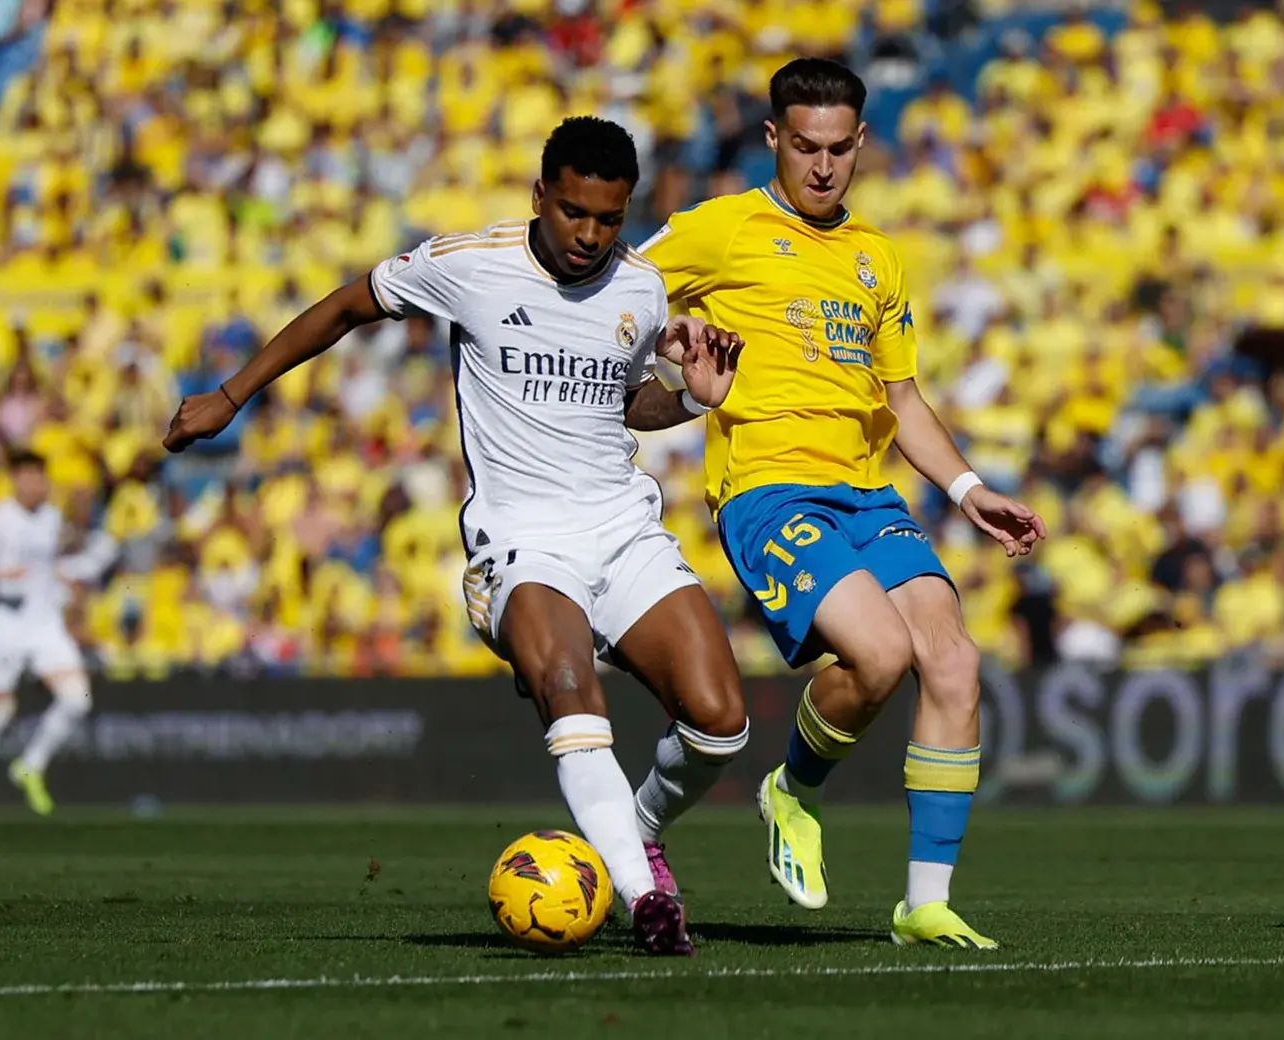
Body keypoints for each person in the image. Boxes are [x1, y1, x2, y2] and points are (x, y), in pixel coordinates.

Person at [164, 117, 751, 957]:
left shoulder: (641, 289)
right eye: (575, 212)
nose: (590, 235)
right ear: (540, 195)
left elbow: (620, 408)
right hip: (524, 537)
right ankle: (644, 897)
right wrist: (231, 395)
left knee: (721, 722)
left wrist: (692, 398)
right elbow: (341, 308)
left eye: (609, 219)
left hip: (622, 529)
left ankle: (636, 829)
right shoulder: (467, 264)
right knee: (565, 683)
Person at [641, 59, 1046, 949]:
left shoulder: (878, 258)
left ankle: (924, 904)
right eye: (804, 148)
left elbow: (902, 401)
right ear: (774, 141)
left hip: (868, 491)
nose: (822, 168)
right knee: (881, 653)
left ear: (861, 143)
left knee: (953, 661)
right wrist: (666, 366)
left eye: (839, 149)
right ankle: (792, 787)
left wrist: (971, 491)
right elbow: (620, 293)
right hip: (771, 490)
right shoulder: (721, 231)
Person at [0, 451, 117, 824]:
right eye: (26, 477)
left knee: (78, 699)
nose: (34, 484)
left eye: (39, 477)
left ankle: (30, 764)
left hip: (45, 623)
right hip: (7, 622)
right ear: (15, 480)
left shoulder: (50, 518)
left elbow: (57, 558)